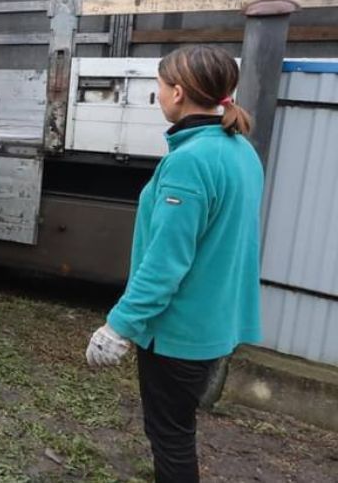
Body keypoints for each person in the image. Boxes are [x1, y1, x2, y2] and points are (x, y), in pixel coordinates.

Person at [86, 46, 263, 483]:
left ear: (178, 92)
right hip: (213, 325)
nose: (158, 94)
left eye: (160, 86)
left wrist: (119, 326)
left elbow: (166, 263)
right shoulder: (240, 149)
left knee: (170, 437)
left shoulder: (189, 162)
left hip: (180, 332)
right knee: (176, 430)